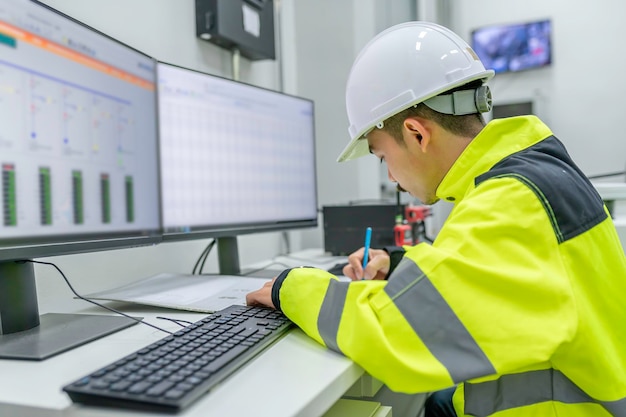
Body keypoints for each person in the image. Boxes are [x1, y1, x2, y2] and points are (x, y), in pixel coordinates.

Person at [246, 21, 626, 417]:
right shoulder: (528, 176)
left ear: (417, 134)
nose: (390, 177)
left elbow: (396, 335)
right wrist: (396, 266)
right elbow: (488, 279)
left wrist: (289, 287)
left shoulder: (512, 202)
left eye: (381, 157)